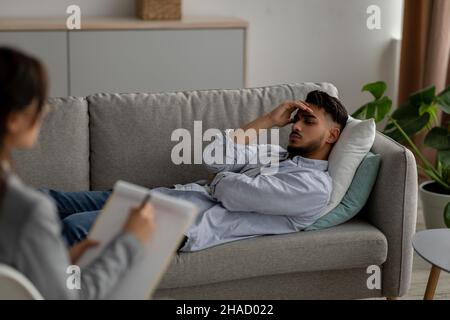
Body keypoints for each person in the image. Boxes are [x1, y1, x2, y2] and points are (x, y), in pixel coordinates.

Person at [47, 90, 348, 252]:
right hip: (162, 197)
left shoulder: (313, 187)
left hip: (179, 224)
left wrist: (221, 181)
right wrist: (268, 120)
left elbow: (232, 192)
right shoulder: (275, 154)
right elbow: (214, 159)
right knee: (51, 200)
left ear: (332, 136)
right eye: (296, 118)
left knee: (75, 226)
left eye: (309, 122)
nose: (295, 125)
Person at [0, 47, 155, 299]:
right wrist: (131, 242)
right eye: (40, 100)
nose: (46, 110)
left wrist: (57, 262)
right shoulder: (27, 209)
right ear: (13, 119)